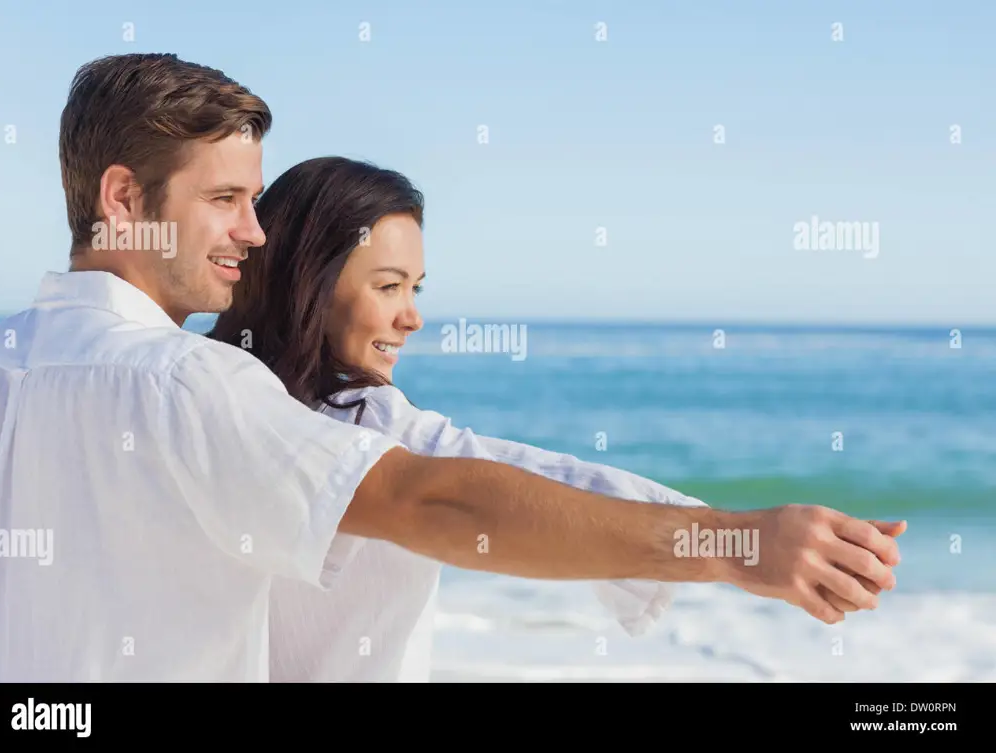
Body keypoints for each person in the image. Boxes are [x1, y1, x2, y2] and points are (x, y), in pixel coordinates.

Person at [0, 53, 902, 683]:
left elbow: (494, 470)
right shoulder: (185, 387)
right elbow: (438, 497)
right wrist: (734, 544)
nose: (250, 233)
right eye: (223, 199)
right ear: (124, 198)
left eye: (255, 202)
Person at [205, 156, 907, 681]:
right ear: (309, 283)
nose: (412, 315)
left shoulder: (192, 397)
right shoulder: (372, 426)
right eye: (388, 286)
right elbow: (507, 487)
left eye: (415, 288)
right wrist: (740, 543)